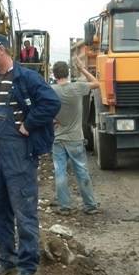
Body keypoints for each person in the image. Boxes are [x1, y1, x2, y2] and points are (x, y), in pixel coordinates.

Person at [0, 33, 61, 275]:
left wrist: (29, 125)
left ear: (1, 50)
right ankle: (6, 260)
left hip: (19, 153)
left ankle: (27, 266)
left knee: (24, 211)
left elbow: (51, 102)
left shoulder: (27, 78)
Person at [51, 58, 100, 214]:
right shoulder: (77, 88)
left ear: (54, 74)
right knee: (81, 171)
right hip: (75, 138)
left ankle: (65, 207)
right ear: (68, 72)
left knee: (60, 172)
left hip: (58, 138)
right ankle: (90, 205)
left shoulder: (51, 90)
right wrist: (82, 69)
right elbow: (96, 83)